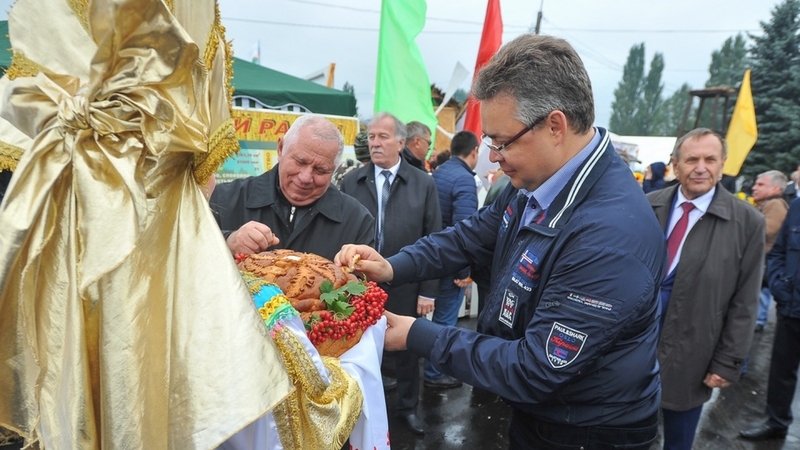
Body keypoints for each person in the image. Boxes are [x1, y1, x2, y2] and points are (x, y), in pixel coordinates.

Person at [335, 34, 665, 450]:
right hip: (544, 411)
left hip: (586, 430)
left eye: (501, 141)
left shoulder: (609, 234)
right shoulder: (536, 181)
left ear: (555, 126)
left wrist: (419, 334)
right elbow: (468, 237)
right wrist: (392, 265)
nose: (491, 156)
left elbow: (535, 368)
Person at [646, 128, 765, 450]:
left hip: (694, 353)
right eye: (691, 159)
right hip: (634, 348)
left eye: (710, 159)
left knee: (678, 440)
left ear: (723, 164)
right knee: (624, 434)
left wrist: (727, 362)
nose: (701, 167)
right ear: (675, 164)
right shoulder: (647, 206)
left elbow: (745, 300)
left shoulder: (747, 222)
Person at [339, 111, 442, 435]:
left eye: (382, 136)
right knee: (359, 348)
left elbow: (434, 236)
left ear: (400, 141)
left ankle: (409, 408)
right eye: (370, 136)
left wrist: (428, 291)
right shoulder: (351, 181)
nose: (375, 142)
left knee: (408, 350)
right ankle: (361, 412)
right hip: (359, 284)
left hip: (406, 284)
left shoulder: (422, 183)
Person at [209, 115, 375, 260]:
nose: (305, 178)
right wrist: (228, 241)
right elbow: (188, 256)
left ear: (334, 170)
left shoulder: (357, 220)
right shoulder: (222, 199)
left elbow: (366, 290)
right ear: (281, 148)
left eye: (320, 170)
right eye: (300, 161)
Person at [740, 192, 800, 442]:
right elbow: (779, 252)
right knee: (781, 371)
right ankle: (776, 423)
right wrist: (780, 286)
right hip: (792, 306)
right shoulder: (796, 207)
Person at [424, 131, 480, 389]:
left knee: (433, 317)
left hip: (430, 254)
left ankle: (428, 368)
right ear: (474, 152)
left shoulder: (441, 172)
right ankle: (434, 374)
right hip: (449, 263)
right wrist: (464, 271)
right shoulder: (465, 180)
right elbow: (465, 230)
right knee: (445, 320)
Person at [751, 170, 789, 332]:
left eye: (761, 185)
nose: (754, 188)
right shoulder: (767, 204)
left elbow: (767, 229)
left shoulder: (775, 204)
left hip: (766, 263)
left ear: (776, 189)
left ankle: (759, 323)